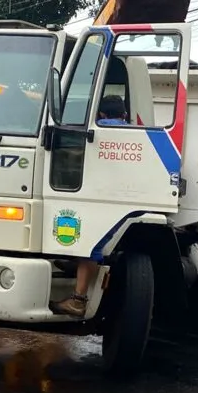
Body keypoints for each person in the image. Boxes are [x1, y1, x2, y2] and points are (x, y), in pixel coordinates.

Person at [49, 96, 129, 317]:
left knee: (90, 246)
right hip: (121, 203)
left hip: (100, 201)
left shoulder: (97, 130)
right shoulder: (131, 133)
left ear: (100, 114)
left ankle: (78, 300)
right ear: (123, 114)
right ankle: (77, 266)